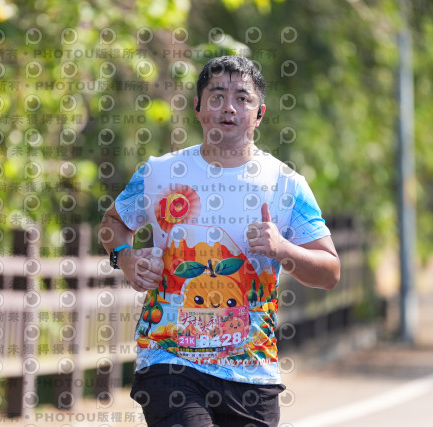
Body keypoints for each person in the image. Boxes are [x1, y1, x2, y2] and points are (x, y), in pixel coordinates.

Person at [99, 55, 340, 427]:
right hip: (169, 359)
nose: (229, 107)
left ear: (259, 114)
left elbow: (329, 272)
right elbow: (113, 223)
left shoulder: (286, 184)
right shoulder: (159, 173)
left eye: (242, 98)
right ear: (198, 108)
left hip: (251, 370)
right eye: (217, 96)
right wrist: (124, 257)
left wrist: (282, 249)